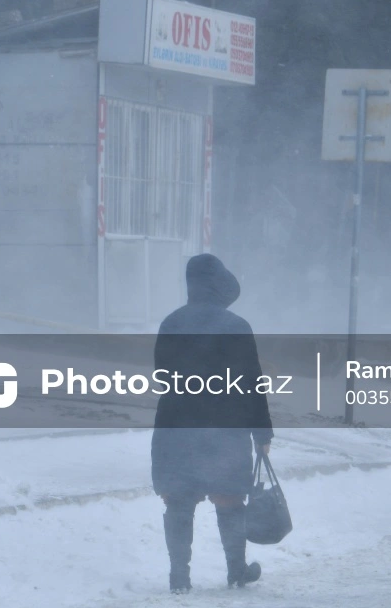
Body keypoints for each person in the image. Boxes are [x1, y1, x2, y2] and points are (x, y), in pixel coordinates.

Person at [150, 254, 273, 593]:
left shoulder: (171, 323)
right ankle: (236, 572)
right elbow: (252, 384)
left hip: (177, 426)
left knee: (178, 500)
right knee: (229, 498)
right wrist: (262, 432)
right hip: (225, 428)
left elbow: (162, 375)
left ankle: (179, 578)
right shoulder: (236, 326)